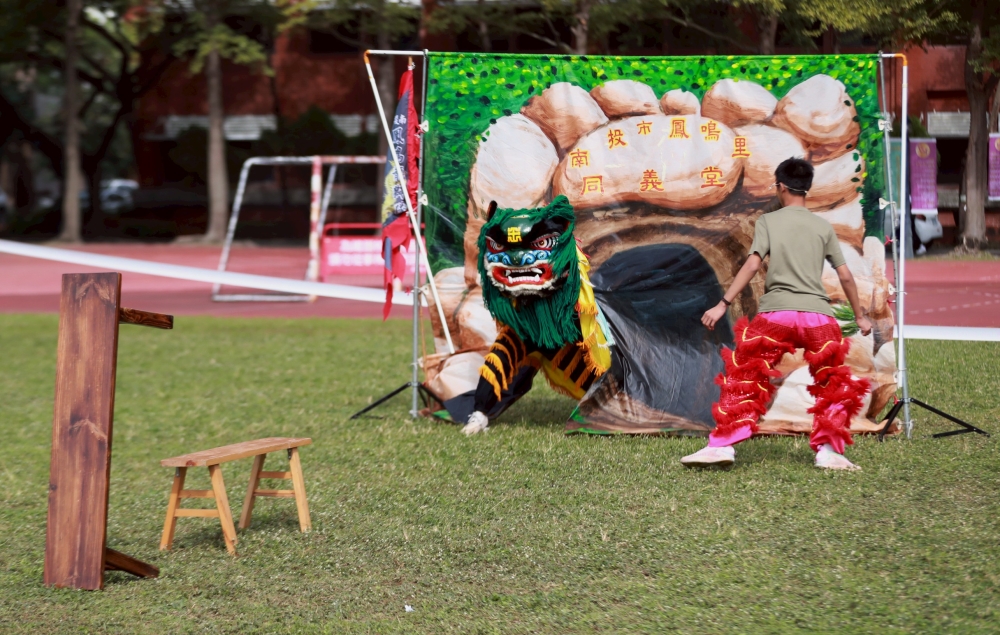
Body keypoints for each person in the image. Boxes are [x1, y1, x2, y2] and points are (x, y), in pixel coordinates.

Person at [681, 157, 873, 471]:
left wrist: (722, 304)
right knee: (832, 383)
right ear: (806, 189)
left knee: (746, 375)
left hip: (776, 317)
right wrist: (860, 316)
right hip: (818, 319)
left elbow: (753, 264)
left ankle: (723, 447)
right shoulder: (822, 227)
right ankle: (829, 451)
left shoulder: (769, 222)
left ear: (780, 187)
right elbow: (846, 276)